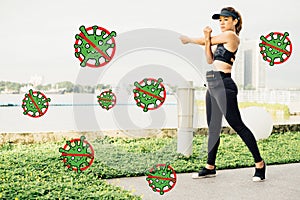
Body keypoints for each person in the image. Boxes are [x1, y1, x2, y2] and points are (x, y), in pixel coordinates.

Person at [180, 7, 266, 182]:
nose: (222, 23)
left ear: (235, 21)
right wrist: (206, 38)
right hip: (212, 83)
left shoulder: (231, 36)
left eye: (226, 19)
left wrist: (189, 39)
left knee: (237, 125)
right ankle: (210, 167)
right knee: (213, 128)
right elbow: (210, 59)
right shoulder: (219, 40)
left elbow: (206, 42)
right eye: (220, 20)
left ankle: (260, 164)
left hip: (224, 84)